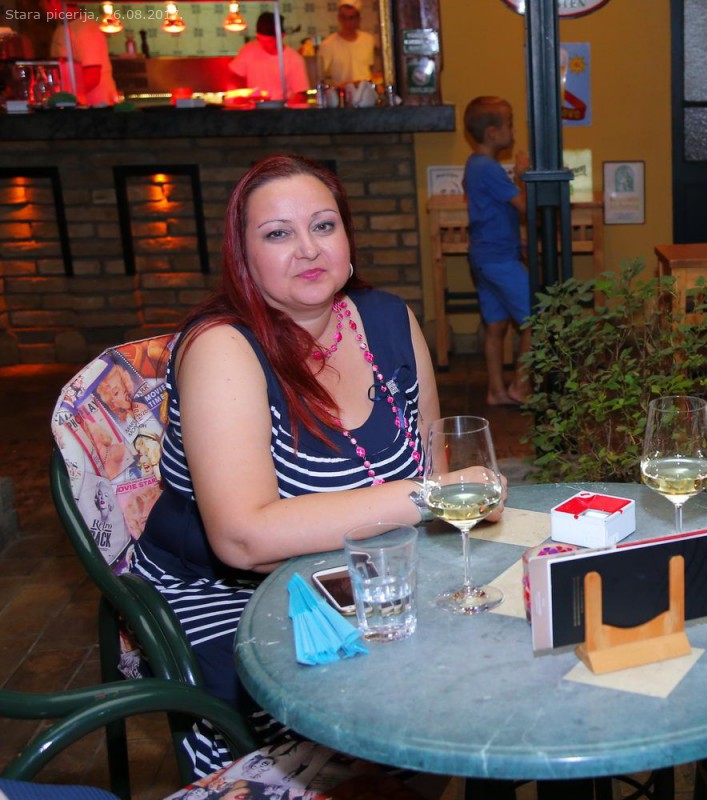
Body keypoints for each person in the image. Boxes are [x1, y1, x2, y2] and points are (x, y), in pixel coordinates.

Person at [130, 155, 457, 776]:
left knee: (474, 664)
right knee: (379, 704)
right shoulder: (222, 348)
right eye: (278, 233)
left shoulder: (389, 320)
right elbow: (244, 538)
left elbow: (432, 462)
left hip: (368, 573)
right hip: (230, 594)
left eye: (324, 226)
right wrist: (426, 497)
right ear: (243, 258)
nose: (308, 248)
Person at [463, 96, 532, 406]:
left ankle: (496, 391)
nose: (513, 131)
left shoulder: (474, 164)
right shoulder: (488, 168)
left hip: (483, 256)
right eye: (510, 125)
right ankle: (521, 387)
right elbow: (524, 207)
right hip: (499, 259)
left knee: (496, 325)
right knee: (537, 318)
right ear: (492, 133)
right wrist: (522, 174)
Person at [43, 0, 118, 107]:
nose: (41, 5)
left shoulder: (85, 28)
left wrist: (63, 97)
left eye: (42, 2)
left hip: (96, 107)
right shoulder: (62, 28)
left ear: (54, 2)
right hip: (77, 106)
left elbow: (92, 76)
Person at [228, 12, 310, 102]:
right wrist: (237, 95)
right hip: (253, 107)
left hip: (282, 107)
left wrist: (288, 107)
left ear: (281, 36)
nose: (263, 45)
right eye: (260, 40)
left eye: (269, 41)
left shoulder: (294, 59)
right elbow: (233, 76)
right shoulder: (249, 51)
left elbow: (301, 94)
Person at [318, 0, 380, 88]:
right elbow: (320, 76)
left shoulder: (368, 40)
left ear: (358, 19)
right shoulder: (328, 44)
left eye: (351, 18)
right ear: (339, 18)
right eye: (344, 17)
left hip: (366, 91)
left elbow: (371, 69)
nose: (347, 22)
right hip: (342, 93)